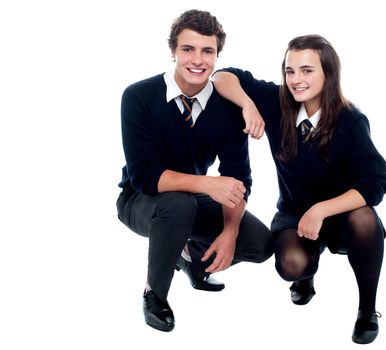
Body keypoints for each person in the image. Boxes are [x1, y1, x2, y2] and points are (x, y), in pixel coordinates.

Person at [213, 34, 386, 344]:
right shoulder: (276, 102)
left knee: (365, 220)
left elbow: (377, 181)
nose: (296, 79)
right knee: (292, 265)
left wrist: (321, 210)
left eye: (307, 70)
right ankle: (307, 276)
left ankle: (367, 310)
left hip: (341, 214)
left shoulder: (351, 121)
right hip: (295, 214)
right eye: (289, 70)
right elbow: (221, 77)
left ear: (327, 73)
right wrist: (248, 106)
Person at [116, 9, 273, 332]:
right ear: (173, 50)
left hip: (191, 197)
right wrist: (207, 185)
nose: (197, 60)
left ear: (217, 55)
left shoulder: (226, 108)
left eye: (207, 51)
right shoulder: (138, 97)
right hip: (141, 198)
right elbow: (144, 175)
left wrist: (229, 232)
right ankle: (155, 293)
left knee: (260, 243)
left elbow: (238, 178)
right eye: (188, 49)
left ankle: (190, 258)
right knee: (179, 205)